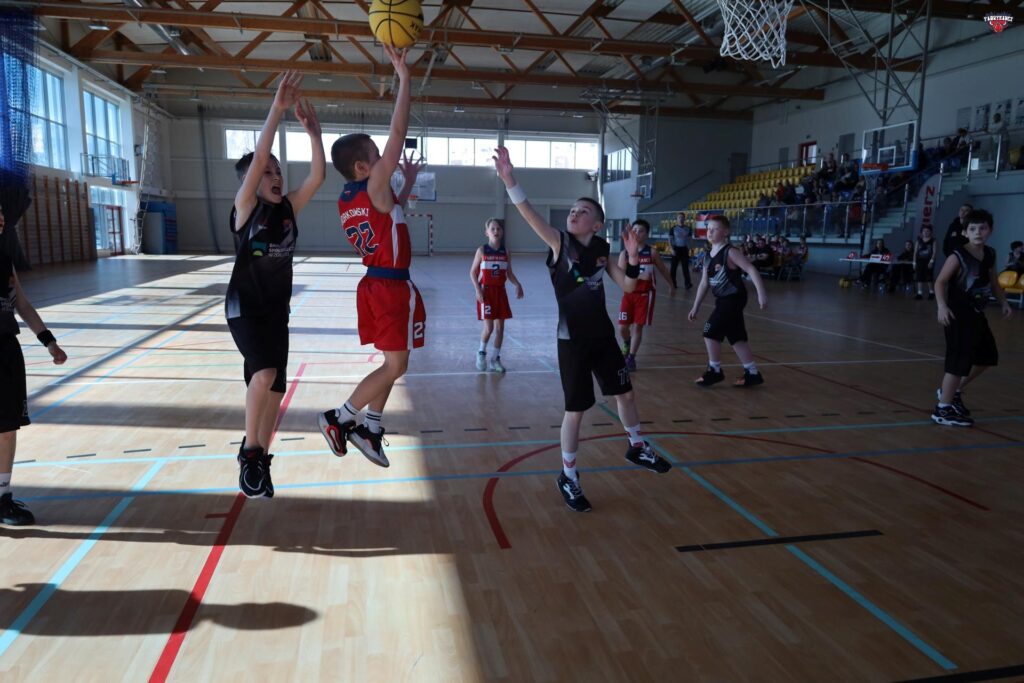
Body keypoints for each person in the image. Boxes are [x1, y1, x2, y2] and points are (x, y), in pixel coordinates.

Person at [492, 145, 672, 513]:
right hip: (571, 340)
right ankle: (569, 476)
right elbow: (528, 214)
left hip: (603, 337)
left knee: (626, 395)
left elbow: (628, 286)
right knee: (575, 411)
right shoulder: (559, 242)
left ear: (597, 224)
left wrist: (633, 259)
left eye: (583, 211)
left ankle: (637, 446)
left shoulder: (603, 249)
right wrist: (510, 180)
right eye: (573, 210)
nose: (574, 213)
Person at [317, 46, 423, 469]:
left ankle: (370, 427)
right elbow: (398, 133)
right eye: (378, 157)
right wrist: (405, 80)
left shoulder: (352, 197)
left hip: (378, 284)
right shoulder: (374, 185)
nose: (386, 160)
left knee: (394, 363)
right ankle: (340, 417)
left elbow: (392, 214)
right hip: (389, 285)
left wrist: (408, 183)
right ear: (363, 167)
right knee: (396, 364)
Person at [226, 72, 324, 498]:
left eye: (278, 170)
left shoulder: (288, 209)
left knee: (275, 390)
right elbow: (261, 154)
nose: (275, 174)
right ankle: (249, 454)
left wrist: (314, 135)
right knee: (265, 374)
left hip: (275, 312)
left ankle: (261, 458)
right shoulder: (246, 208)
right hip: (244, 307)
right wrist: (277, 110)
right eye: (266, 171)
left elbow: (317, 177)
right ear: (251, 181)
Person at [0, 204, 68, 525]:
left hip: (5, 350)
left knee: (7, 429)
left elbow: (22, 305)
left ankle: (2, 498)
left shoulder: (4, 259)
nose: (1, 217)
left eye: (2, 212)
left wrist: (49, 342)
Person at [932, 209, 1012, 426]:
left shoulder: (990, 254)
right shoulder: (958, 255)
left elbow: (994, 282)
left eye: (982, 228)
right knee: (958, 362)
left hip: (977, 313)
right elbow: (940, 282)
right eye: (973, 228)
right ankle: (943, 410)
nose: (978, 232)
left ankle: (952, 391)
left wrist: (1003, 302)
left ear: (990, 230)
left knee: (987, 356)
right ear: (965, 232)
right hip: (957, 314)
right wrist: (941, 306)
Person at [688, 215, 768, 388]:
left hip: (733, 298)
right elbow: (704, 283)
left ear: (725, 232)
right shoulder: (707, 255)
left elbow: (751, 269)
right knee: (736, 336)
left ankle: (714, 370)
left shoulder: (730, 252)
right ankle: (752, 373)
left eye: (714, 229)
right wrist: (695, 307)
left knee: (709, 331)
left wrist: (761, 293)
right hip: (722, 300)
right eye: (708, 229)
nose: (710, 232)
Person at [618, 218, 676, 371]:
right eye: (635, 230)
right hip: (628, 295)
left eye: (641, 231)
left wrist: (671, 285)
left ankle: (631, 358)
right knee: (622, 328)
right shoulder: (624, 253)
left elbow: (663, 269)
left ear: (647, 234)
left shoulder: (652, 252)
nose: (637, 233)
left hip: (645, 295)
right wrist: (635, 276)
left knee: (638, 327)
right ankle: (627, 343)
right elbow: (619, 275)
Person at [470, 217, 523, 373]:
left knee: (500, 329)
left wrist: (517, 284)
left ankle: (495, 359)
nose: (496, 231)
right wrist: (477, 290)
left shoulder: (506, 251)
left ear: (502, 232)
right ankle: (481, 353)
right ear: (486, 232)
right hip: (486, 292)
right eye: (492, 229)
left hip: (500, 291)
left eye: (498, 228)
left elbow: (509, 273)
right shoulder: (482, 250)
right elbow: (472, 272)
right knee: (489, 328)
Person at [669, 212, 692, 289]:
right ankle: (672, 283)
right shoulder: (673, 229)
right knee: (673, 268)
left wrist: (689, 248)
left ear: (684, 219)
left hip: (684, 249)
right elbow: (670, 240)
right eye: (679, 217)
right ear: (677, 219)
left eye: (682, 217)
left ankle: (687, 284)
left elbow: (690, 239)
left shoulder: (688, 229)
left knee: (685, 268)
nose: (681, 219)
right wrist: (672, 249)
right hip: (676, 249)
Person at [913, 225, 937, 299]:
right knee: (919, 276)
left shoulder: (933, 240)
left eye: (927, 231)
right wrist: (914, 262)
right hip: (919, 261)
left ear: (930, 232)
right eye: (924, 231)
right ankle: (919, 293)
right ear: (922, 232)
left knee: (928, 276)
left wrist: (931, 261)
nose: (926, 232)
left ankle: (931, 292)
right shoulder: (919, 240)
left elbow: (934, 252)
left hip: (928, 261)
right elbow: (915, 252)